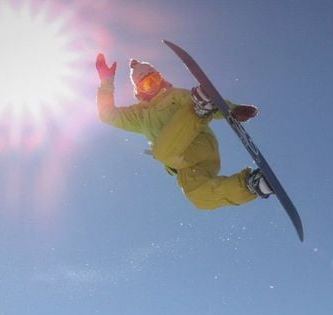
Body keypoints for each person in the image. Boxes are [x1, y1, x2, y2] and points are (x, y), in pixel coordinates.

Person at [95, 53, 274, 210]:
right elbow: (107, 115)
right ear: (139, 90)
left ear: (160, 77)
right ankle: (252, 185)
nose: (154, 86)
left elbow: (215, 103)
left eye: (155, 79)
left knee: (161, 151)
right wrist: (106, 82)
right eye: (147, 84)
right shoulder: (139, 116)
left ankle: (199, 110)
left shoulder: (174, 95)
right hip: (185, 164)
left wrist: (232, 110)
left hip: (199, 143)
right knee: (198, 197)